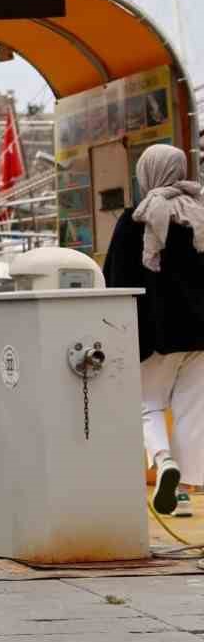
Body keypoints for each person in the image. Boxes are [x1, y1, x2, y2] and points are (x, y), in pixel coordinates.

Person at [104, 143, 204, 519]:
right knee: (193, 410)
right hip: (201, 335)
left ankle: (163, 463)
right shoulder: (201, 213)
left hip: (157, 333)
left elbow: (115, 279)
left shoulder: (136, 220)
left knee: (145, 402)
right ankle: (182, 491)